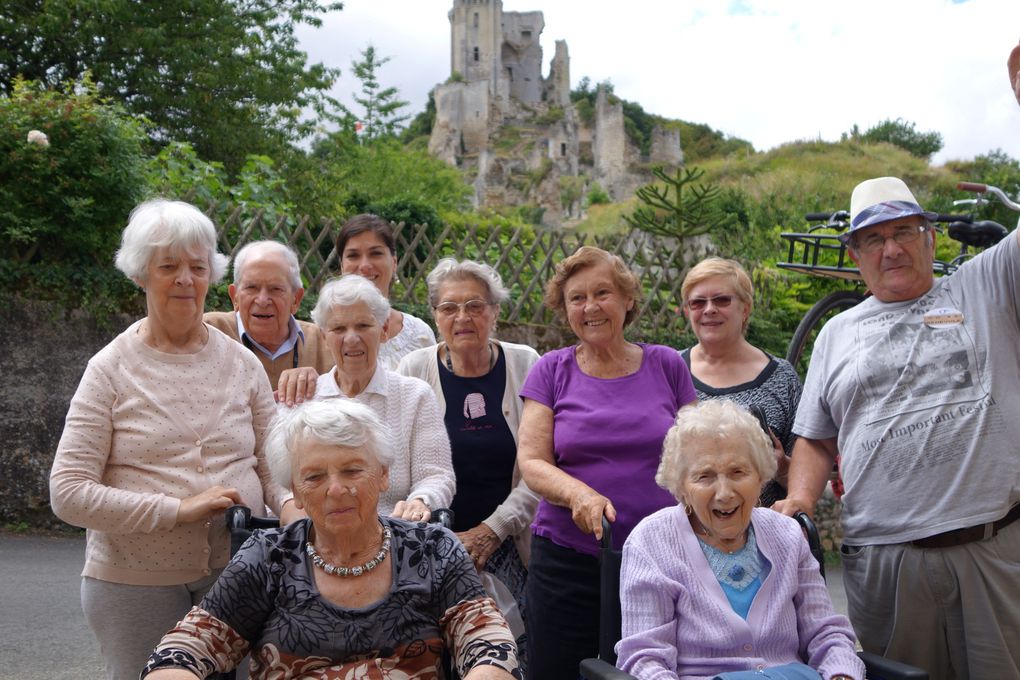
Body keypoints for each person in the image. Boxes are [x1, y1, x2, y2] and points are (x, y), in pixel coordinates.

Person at [774, 176, 1020, 679]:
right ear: (855, 254)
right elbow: (818, 438)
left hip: (992, 548)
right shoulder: (835, 334)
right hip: (887, 563)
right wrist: (799, 501)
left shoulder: (986, 282)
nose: (891, 249)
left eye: (904, 231)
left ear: (931, 237)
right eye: (873, 239)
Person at [49, 200, 296, 680]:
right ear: (141, 274)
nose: (185, 278)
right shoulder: (109, 369)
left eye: (197, 267)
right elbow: (69, 492)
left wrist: (289, 508)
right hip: (134, 584)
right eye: (169, 266)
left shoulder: (243, 363)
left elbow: (274, 468)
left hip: (239, 576)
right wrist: (177, 510)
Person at [141, 399, 522, 679]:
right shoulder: (268, 557)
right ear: (296, 491)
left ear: (384, 475)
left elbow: (486, 638)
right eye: (315, 477)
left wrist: (487, 671)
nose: (336, 490)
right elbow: (189, 644)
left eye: (353, 470)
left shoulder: (433, 549)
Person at [516, 245, 698, 679]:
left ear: (627, 299)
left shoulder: (667, 364)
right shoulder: (550, 370)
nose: (590, 307)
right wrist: (580, 494)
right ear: (564, 310)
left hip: (660, 558)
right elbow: (532, 462)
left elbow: (697, 452)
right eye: (576, 298)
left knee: (650, 669)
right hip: (568, 561)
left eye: (603, 293)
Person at [617, 400, 863, 680]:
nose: (724, 493)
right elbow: (644, 658)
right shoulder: (651, 541)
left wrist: (842, 674)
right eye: (704, 476)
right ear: (681, 485)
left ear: (761, 476)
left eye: (738, 472)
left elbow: (826, 633)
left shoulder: (787, 535)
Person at [397, 258, 541, 668]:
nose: (462, 317)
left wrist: (491, 531)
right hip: (432, 541)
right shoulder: (414, 369)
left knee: (513, 653)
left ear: (495, 312)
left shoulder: (525, 364)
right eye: (449, 307)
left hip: (510, 540)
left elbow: (541, 464)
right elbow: (404, 460)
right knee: (432, 655)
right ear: (435, 315)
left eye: (475, 306)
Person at [308, 273, 456, 522]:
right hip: (320, 536)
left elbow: (436, 474)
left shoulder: (414, 395)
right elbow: (283, 485)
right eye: (339, 328)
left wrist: (420, 501)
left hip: (396, 533)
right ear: (324, 336)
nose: (352, 338)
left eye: (363, 326)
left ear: (384, 329)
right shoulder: (305, 397)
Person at [679, 257, 801, 506]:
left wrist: (779, 466)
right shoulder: (670, 371)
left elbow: (807, 484)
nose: (709, 309)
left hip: (763, 534)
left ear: (745, 309)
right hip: (684, 534)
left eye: (722, 300)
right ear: (687, 311)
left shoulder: (782, 378)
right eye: (698, 302)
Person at [204, 240, 334, 390]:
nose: (263, 300)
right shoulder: (209, 331)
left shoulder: (325, 342)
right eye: (251, 287)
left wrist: (321, 383)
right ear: (235, 296)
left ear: (296, 299)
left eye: (275, 289)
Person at [339, 213, 436, 369]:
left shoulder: (420, 335)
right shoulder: (322, 336)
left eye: (375, 253)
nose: (364, 265)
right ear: (342, 266)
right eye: (353, 255)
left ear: (394, 262)